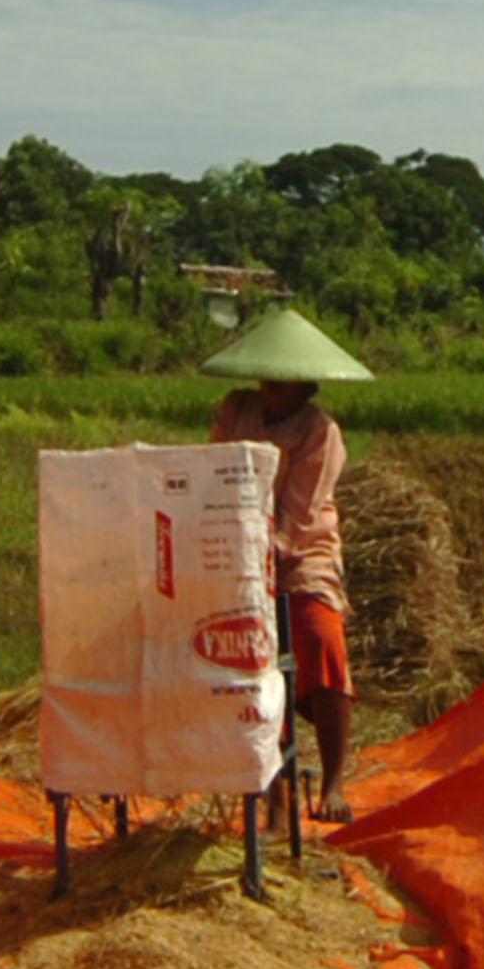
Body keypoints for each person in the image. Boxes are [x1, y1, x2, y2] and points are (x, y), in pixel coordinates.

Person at [202, 304, 374, 820]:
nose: (273, 384)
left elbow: (296, 520)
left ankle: (333, 783)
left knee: (320, 637)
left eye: (285, 378)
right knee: (253, 653)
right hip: (236, 544)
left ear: (305, 385)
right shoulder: (236, 412)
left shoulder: (320, 432)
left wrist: (264, 553)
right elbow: (214, 473)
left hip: (301, 551)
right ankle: (273, 790)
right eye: (268, 374)